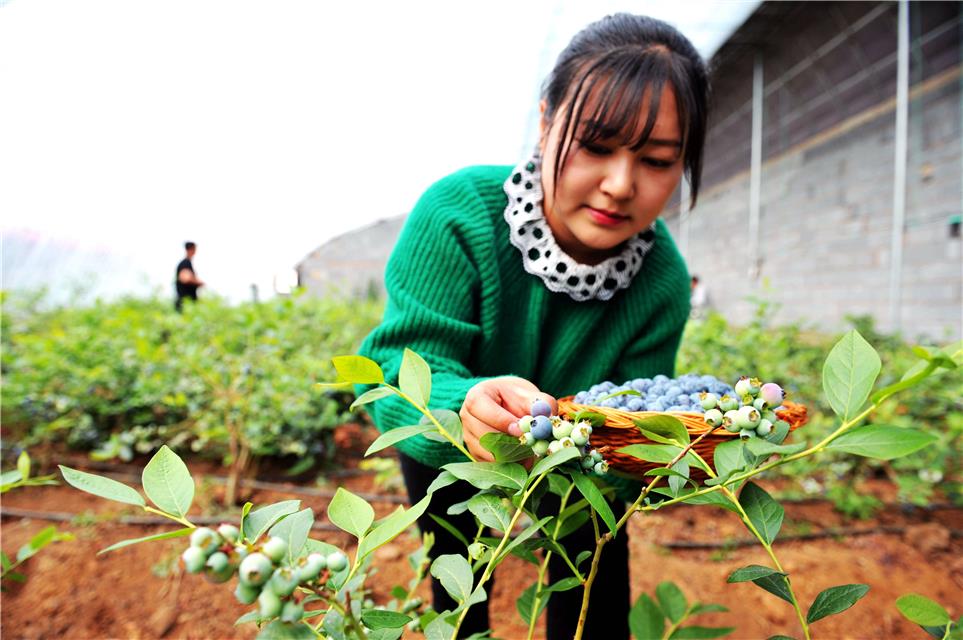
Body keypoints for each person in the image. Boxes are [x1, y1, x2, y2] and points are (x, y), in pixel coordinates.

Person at [357, 13, 707, 639]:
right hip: (453, 439)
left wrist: (653, 450)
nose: (619, 186)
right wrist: (459, 408)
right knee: (459, 580)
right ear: (546, 123)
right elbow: (397, 369)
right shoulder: (460, 215)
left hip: (583, 463)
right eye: (596, 147)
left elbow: (638, 412)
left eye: (656, 160)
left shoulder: (661, 282)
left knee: (593, 581)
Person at [174, 241, 204, 312]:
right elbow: (185, 278)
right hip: (185, 302)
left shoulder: (187, 263)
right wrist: (198, 282)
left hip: (187, 302)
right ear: (192, 249)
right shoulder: (185, 263)